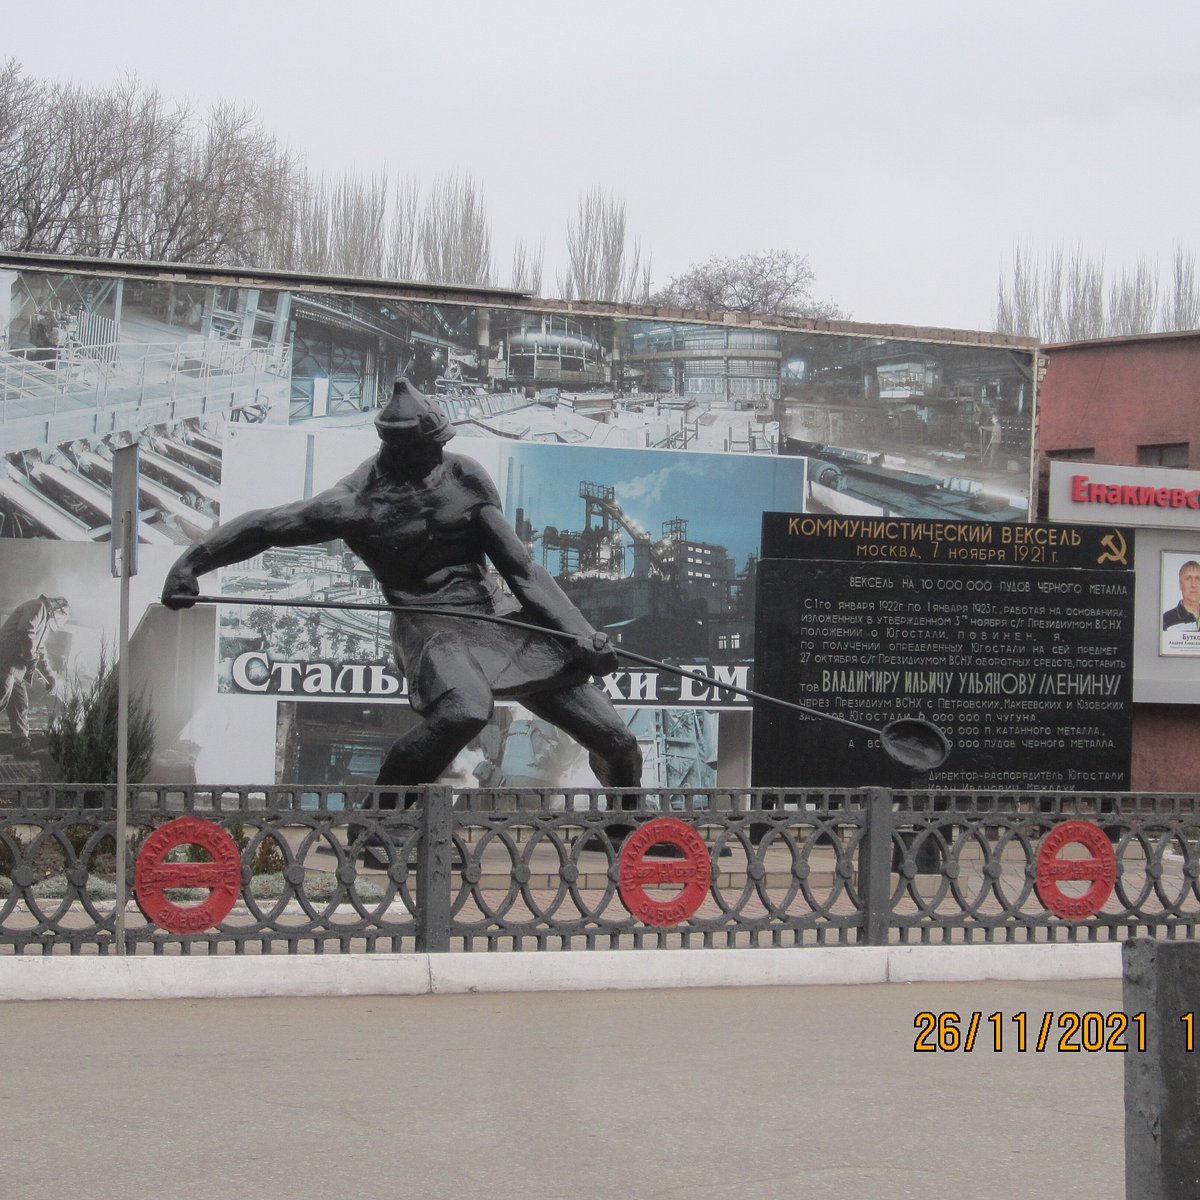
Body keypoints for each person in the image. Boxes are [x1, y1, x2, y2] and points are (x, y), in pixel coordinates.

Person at [162, 379, 642, 792]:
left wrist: (579, 633)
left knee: (619, 743)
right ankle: (380, 824)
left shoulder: (464, 476)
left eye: (442, 443)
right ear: (399, 447)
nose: (440, 454)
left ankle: (624, 828)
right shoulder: (354, 504)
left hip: (495, 618)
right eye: (429, 447)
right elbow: (266, 526)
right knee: (466, 711)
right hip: (429, 626)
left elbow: (521, 570)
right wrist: (190, 565)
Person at [0, 595, 69, 759]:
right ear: (57, 608)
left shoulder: (44, 621)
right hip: (5, 661)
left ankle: (21, 745)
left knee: (20, 704)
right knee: (1, 696)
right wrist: (31, 658)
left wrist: (50, 678)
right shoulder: (38, 607)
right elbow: (25, 631)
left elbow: (40, 652)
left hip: (16, 668)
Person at [1163, 559, 1200, 630]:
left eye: (1198, 579)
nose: (1194, 585)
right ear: (1180, 585)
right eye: (1188, 578)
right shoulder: (1166, 619)